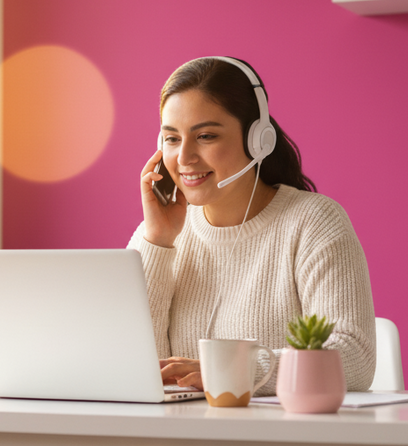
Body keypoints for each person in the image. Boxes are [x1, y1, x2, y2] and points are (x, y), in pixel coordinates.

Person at [128, 57, 375, 396]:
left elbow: (354, 358)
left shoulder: (313, 222)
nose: (184, 157)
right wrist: (156, 241)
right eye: (171, 139)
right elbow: (136, 369)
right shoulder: (157, 237)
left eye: (205, 135)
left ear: (258, 140)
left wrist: (231, 371)